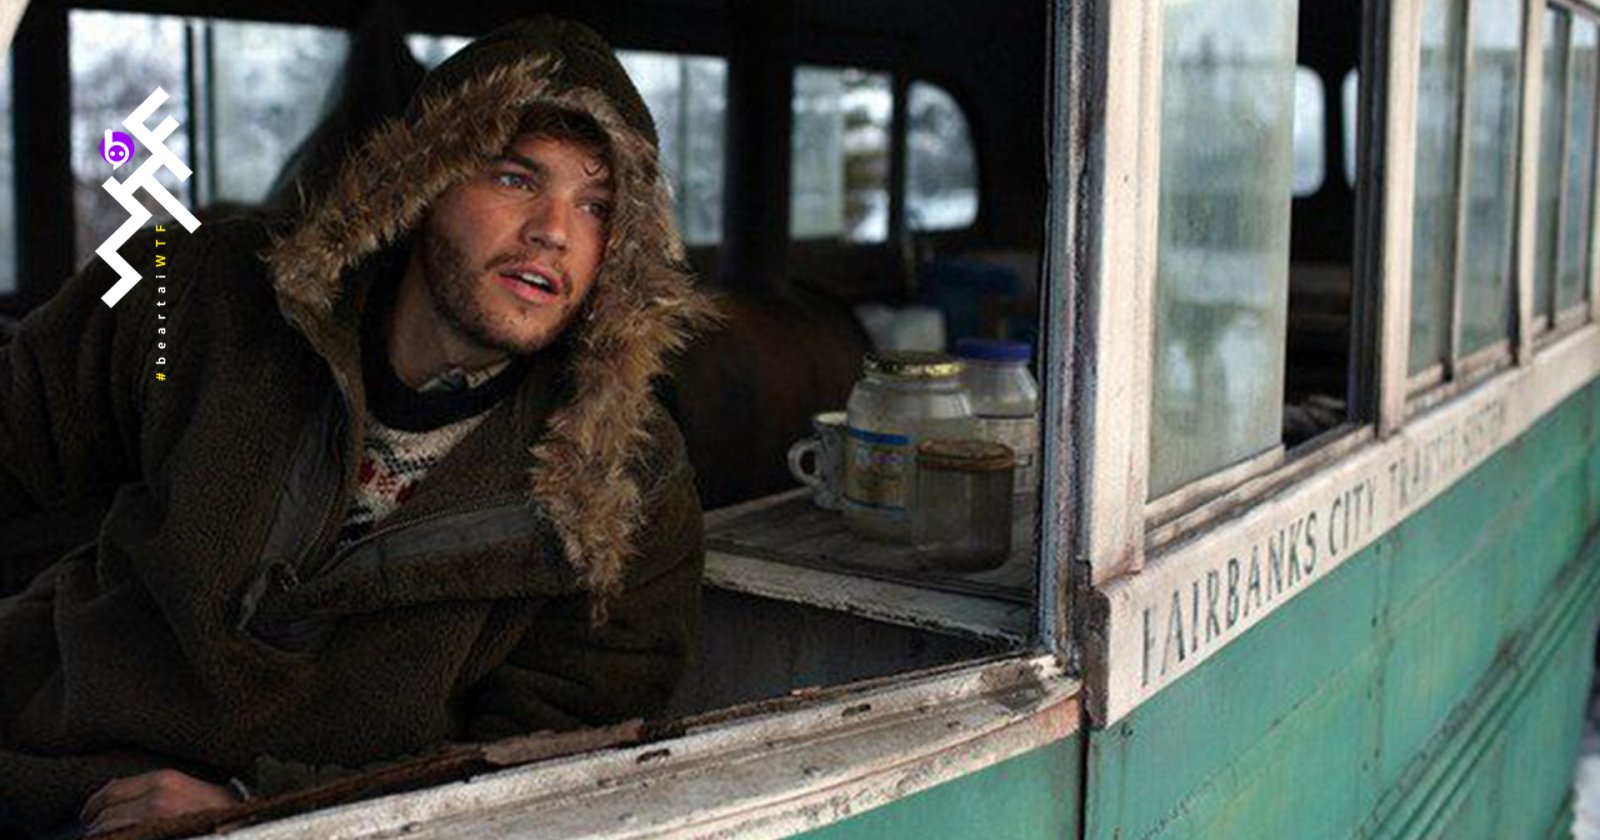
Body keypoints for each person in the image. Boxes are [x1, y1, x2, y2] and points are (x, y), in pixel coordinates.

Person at [0, 16, 717, 836]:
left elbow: (547, 768)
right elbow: (19, 437)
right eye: (517, 178)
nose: (556, 231)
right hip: (47, 773)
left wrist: (270, 807)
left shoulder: (625, 480)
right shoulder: (201, 302)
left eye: (597, 206)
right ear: (421, 181)